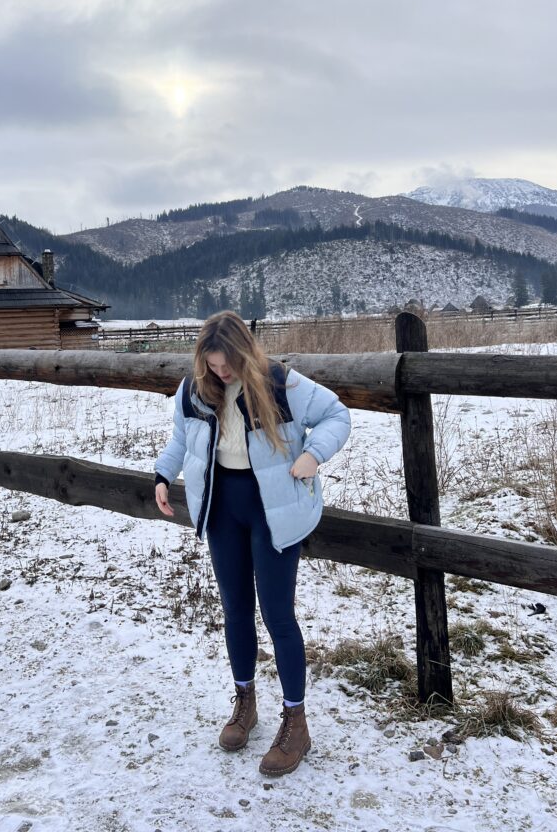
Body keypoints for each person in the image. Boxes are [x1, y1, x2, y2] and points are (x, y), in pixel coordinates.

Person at [154, 310, 351, 777]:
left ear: (245, 352)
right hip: (223, 509)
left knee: (278, 615)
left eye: (228, 364)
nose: (221, 373)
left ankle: (296, 723)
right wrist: (163, 475)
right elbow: (181, 439)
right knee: (235, 610)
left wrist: (312, 455)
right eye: (213, 365)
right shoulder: (194, 389)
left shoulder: (280, 383)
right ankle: (245, 703)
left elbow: (336, 415)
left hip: (273, 510)